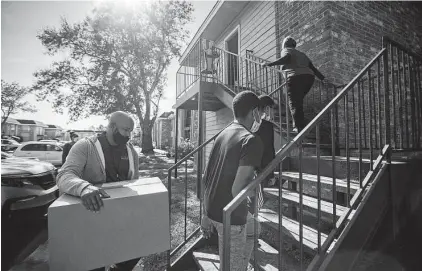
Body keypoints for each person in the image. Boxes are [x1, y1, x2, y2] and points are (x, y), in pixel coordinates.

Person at [56, 111, 140, 271]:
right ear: (112, 127)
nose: (128, 135)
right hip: (91, 213)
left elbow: (134, 181)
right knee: (94, 262)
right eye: (125, 130)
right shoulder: (85, 146)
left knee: (135, 250)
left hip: (120, 215)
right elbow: (64, 175)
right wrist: (84, 187)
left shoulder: (131, 151)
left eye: (131, 131)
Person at [201, 91, 264, 271]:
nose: (262, 118)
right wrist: (255, 190)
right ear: (254, 113)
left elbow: (206, 176)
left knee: (254, 228)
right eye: (261, 113)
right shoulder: (251, 140)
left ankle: (241, 265)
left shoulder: (222, 133)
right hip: (231, 216)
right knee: (231, 267)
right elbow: (238, 191)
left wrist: (205, 214)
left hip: (213, 208)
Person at [263, 36, 326, 132]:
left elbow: (285, 58)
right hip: (309, 78)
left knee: (294, 103)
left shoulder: (286, 50)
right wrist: (323, 79)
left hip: (295, 77)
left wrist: (269, 64)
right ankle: (301, 126)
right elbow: (312, 68)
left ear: (285, 44)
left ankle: (298, 128)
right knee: (298, 102)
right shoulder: (302, 54)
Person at [254, 95, 277, 187]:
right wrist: (271, 174)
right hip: (262, 171)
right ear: (267, 108)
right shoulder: (267, 126)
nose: (274, 112)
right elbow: (268, 150)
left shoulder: (250, 123)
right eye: (273, 109)